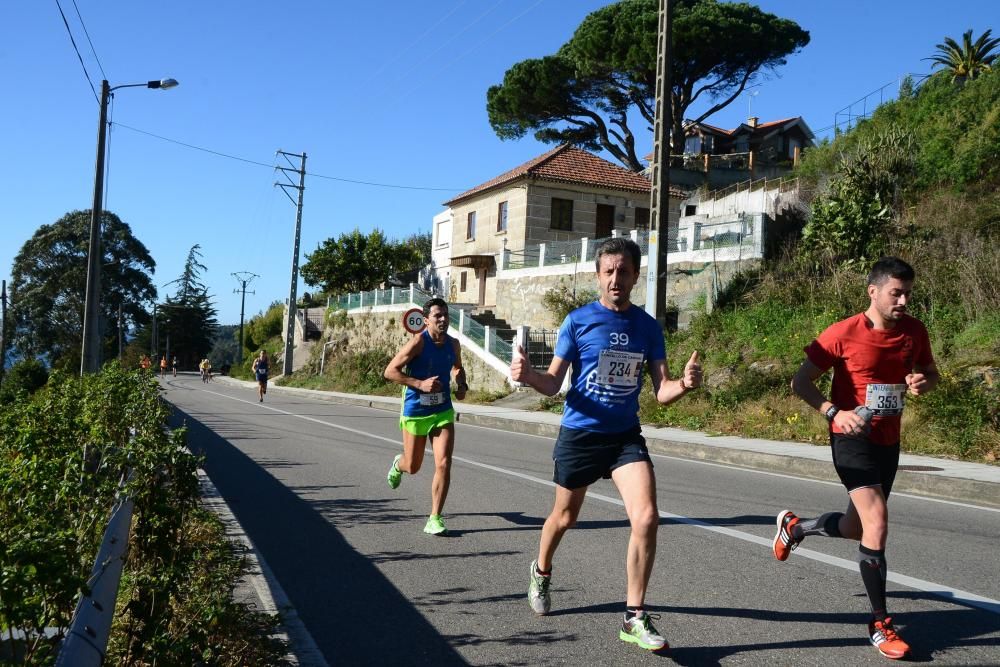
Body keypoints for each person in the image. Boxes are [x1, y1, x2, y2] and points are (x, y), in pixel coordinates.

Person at [510, 237, 702, 652]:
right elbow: (552, 383)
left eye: (624, 271)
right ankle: (541, 571)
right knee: (564, 518)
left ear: (636, 275)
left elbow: (661, 390)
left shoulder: (648, 327)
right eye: (609, 271)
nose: (616, 278)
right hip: (580, 434)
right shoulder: (578, 321)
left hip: (623, 437)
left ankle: (633, 616)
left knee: (647, 517)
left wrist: (684, 386)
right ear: (599, 276)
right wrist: (528, 375)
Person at [774, 256, 939, 660]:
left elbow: (931, 373)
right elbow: (801, 381)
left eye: (908, 294)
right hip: (850, 439)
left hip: (889, 440)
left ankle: (796, 528)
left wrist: (924, 382)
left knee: (855, 526)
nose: (903, 301)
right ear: (873, 291)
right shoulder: (843, 333)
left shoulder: (915, 331)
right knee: (878, 521)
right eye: (895, 293)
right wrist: (834, 412)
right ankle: (880, 623)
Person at [383, 297, 468, 536]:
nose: (443, 320)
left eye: (445, 315)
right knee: (414, 465)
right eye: (437, 316)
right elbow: (389, 371)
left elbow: (456, 367)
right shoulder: (418, 343)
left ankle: (434, 517)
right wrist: (419, 383)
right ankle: (398, 464)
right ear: (426, 319)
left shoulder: (454, 344)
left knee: (443, 462)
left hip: (442, 409)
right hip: (416, 410)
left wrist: (461, 383)